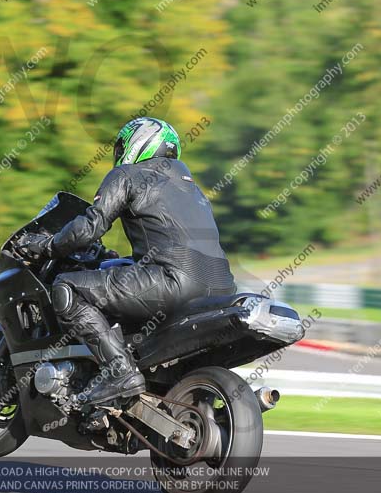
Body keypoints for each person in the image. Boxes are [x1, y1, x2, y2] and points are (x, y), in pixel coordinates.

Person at [20, 117, 236, 405]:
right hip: (221, 288)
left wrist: (46, 245)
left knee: (67, 288)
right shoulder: (193, 190)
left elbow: (89, 228)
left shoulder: (128, 174)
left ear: (138, 143)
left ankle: (118, 372)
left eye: (122, 145)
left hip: (171, 281)